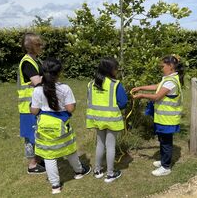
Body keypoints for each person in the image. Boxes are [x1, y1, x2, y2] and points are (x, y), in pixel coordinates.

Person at [30, 58, 91, 194]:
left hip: (44, 124)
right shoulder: (64, 88)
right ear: (59, 73)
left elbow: (33, 111)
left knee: (49, 155)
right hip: (62, 125)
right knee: (69, 149)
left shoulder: (37, 90)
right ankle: (79, 171)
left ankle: (55, 186)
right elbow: (70, 109)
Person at [131, 54, 184, 176]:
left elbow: (157, 96)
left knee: (166, 143)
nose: (161, 68)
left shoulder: (171, 81)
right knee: (162, 140)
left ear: (170, 66)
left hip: (168, 119)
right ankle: (163, 161)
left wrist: (141, 95)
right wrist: (140, 88)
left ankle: (166, 167)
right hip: (163, 118)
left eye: (163, 66)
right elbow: (157, 86)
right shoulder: (168, 78)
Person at [86, 58, 127, 183]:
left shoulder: (91, 84)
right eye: (116, 68)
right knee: (110, 146)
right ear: (111, 70)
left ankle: (97, 170)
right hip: (112, 119)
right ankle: (110, 174)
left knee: (100, 144)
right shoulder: (115, 84)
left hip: (97, 119)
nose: (117, 71)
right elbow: (123, 102)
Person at [17, 32, 46, 174]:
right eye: (38, 44)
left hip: (36, 103)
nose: (41, 46)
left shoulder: (35, 60)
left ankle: (39, 160)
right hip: (28, 106)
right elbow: (37, 82)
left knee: (38, 132)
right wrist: (48, 76)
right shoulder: (27, 62)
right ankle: (32, 165)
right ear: (31, 46)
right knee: (31, 135)